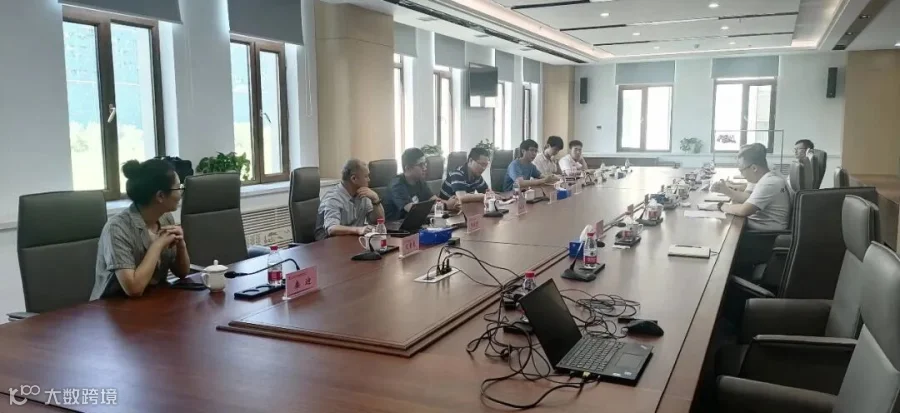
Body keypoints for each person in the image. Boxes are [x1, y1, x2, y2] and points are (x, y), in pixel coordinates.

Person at [91, 159, 191, 299]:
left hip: (154, 299)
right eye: (178, 188)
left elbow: (182, 272)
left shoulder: (165, 218)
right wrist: (157, 245)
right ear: (160, 196)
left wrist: (181, 245)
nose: (180, 193)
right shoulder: (117, 228)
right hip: (114, 305)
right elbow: (134, 289)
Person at [710, 143, 791, 231]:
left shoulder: (769, 183)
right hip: (758, 227)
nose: (742, 174)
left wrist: (721, 206)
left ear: (754, 168)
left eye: (742, 170)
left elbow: (744, 210)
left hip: (764, 234)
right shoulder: (766, 179)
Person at [315, 159, 385, 240]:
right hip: (329, 242)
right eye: (366, 176)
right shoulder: (333, 197)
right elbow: (332, 229)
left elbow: (378, 221)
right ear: (354, 178)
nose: (369, 180)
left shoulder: (363, 193)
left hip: (352, 239)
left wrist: (375, 200)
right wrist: (358, 230)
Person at [386, 148, 456, 220]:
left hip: (414, 221)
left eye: (425, 164)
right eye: (421, 165)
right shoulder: (396, 185)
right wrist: (445, 206)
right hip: (396, 224)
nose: (425, 168)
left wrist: (451, 203)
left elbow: (433, 199)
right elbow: (412, 209)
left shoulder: (419, 181)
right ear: (408, 168)